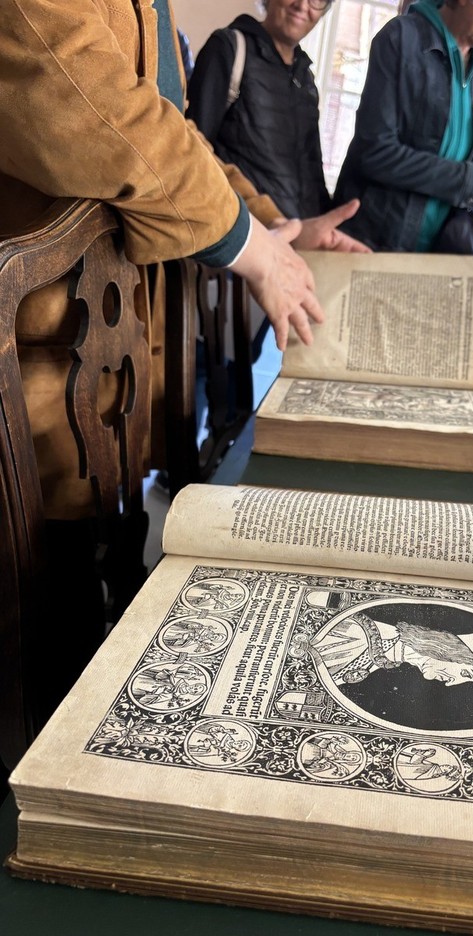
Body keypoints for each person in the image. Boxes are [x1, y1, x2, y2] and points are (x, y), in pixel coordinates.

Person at [0, 0, 366, 721]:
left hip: (101, 383)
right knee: (40, 649)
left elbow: (175, 134)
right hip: (30, 400)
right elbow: (87, 106)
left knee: (97, 621)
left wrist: (270, 227)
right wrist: (251, 244)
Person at [332, 0, 473, 253]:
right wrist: (469, 180)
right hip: (372, 243)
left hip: (442, 249)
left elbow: (469, 147)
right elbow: (375, 152)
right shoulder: (401, 38)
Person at [187, 0, 334, 220]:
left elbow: (313, 172)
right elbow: (194, 150)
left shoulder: (306, 80)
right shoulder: (229, 47)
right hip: (243, 231)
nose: (303, 6)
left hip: (296, 238)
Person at [310, 611, 473, 687]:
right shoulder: (358, 633)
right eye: (467, 673)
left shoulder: (381, 657)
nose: (452, 683)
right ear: (451, 650)